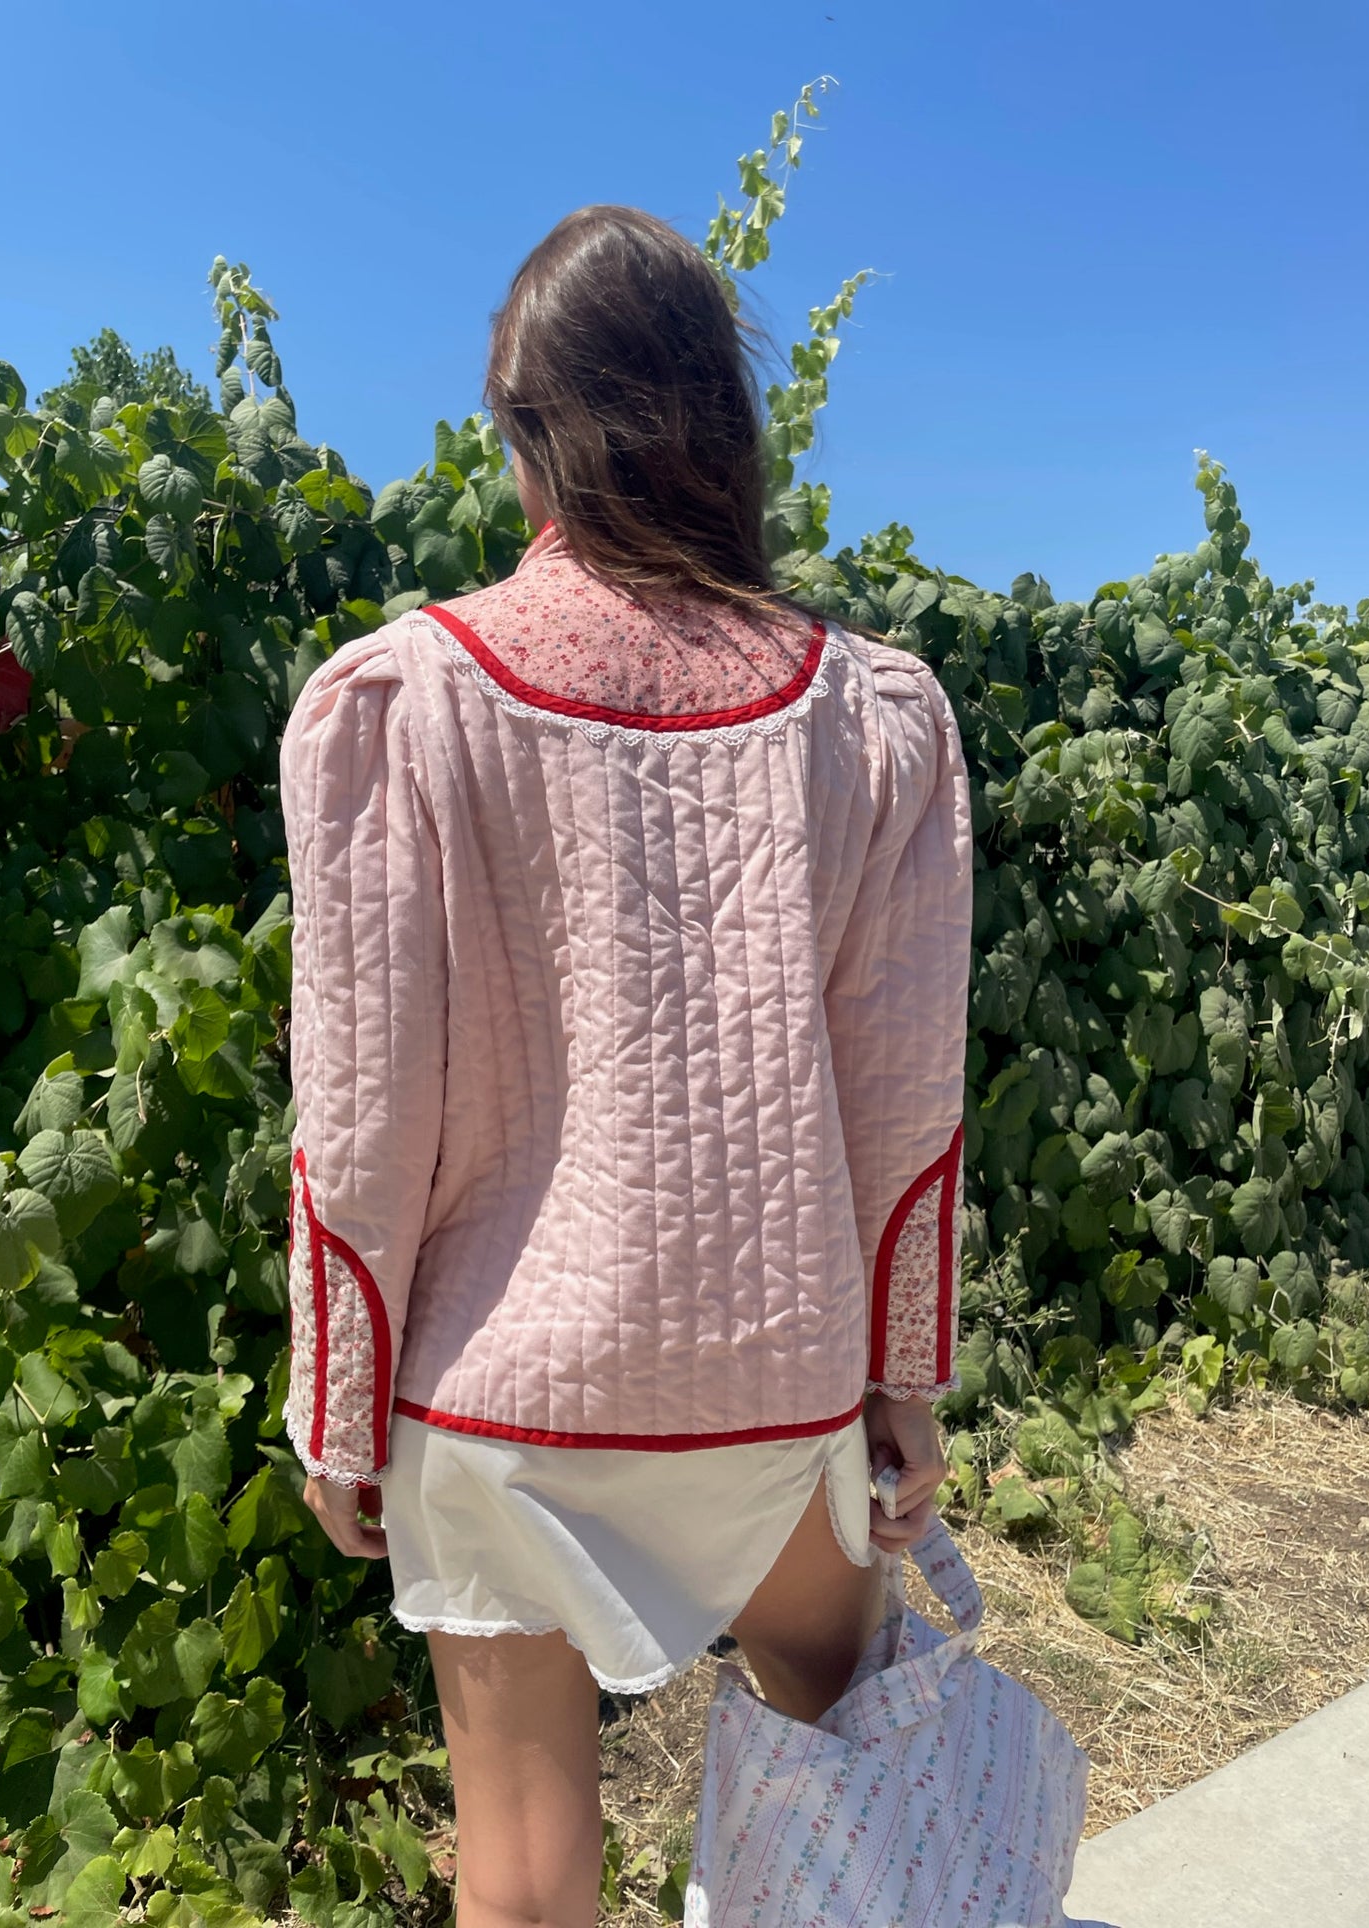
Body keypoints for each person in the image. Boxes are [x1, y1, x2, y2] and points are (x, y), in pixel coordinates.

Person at [278, 203, 974, 1928]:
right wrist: (905, 1382)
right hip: (775, 1376)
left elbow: (363, 1118)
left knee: (522, 1879)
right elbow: (903, 1107)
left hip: (494, 1397)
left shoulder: (402, 702)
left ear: (529, 435)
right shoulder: (870, 716)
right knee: (844, 1808)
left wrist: (336, 1408)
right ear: (719, 432)